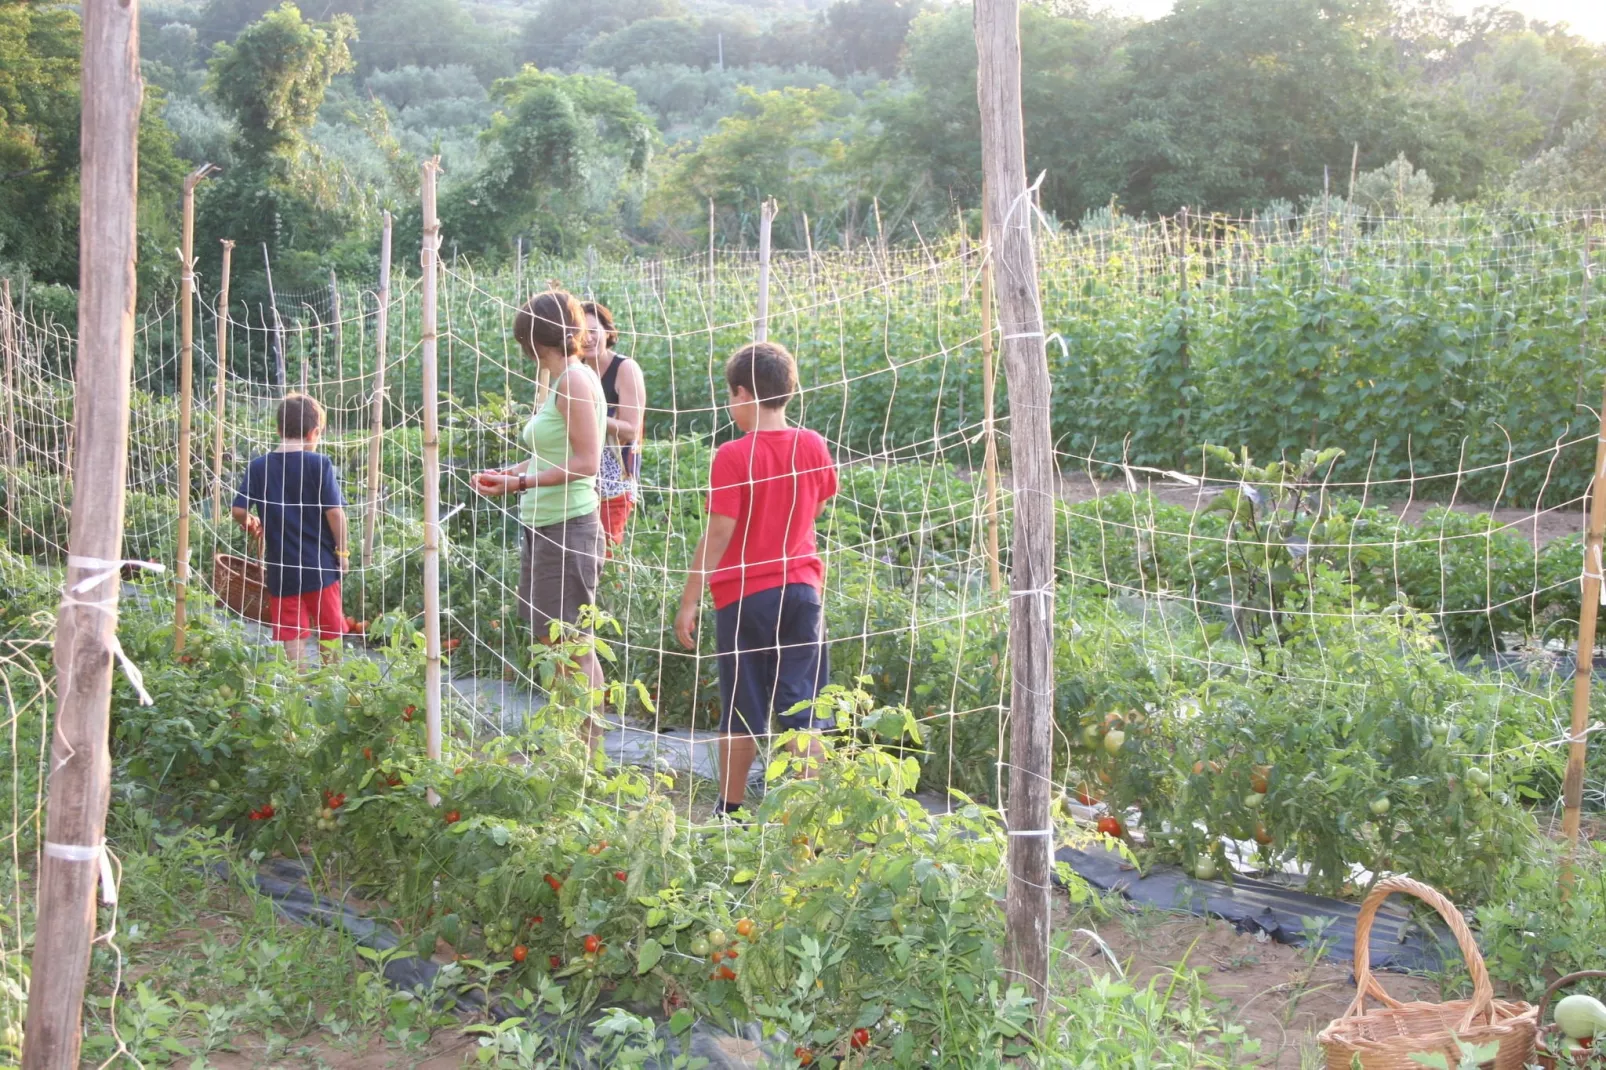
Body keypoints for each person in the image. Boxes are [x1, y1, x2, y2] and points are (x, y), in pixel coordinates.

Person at [675, 341, 838, 818]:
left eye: (730, 396)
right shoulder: (812, 444)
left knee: (741, 708)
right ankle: (806, 816)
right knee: (802, 707)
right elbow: (818, 506)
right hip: (803, 593)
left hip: (744, 599)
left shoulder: (732, 454)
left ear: (744, 394)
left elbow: (719, 533)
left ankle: (731, 812)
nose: (730, 405)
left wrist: (689, 600)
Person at [471, 290, 607, 743]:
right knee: (554, 640)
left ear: (531, 340)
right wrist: (507, 473)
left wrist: (521, 484)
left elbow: (588, 462)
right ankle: (572, 742)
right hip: (546, 525)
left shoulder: (573, 381)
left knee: (569, 642)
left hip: (569, 527)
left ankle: (584, 748)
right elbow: (554, 453)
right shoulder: (566, 379)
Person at [231, 393, 350, 666]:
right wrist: (343, 552)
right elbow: (335, 514)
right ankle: (331, 685)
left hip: (281, 568)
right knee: (330, 628)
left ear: (278, 429)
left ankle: (299, 685)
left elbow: (238, 510)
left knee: (292, 631)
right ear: (314, 433)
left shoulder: (259, 466)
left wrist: (251, 523)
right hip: (318, 566)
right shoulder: (320, 465)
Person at [581, 300, 645, 552]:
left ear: (608, 332)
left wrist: (588, 414)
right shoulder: (577, 370)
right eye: (580, 332)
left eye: (593, 331)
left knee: (606, 555)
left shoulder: (625, 369)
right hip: (579, 480)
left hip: (613, 484)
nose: (587, 339)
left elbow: (631, 428)